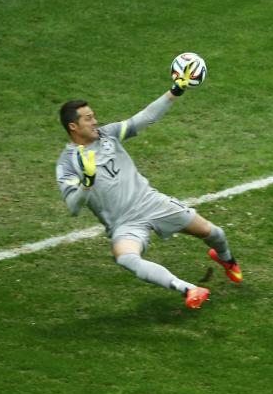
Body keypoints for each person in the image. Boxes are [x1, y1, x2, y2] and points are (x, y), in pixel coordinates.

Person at [55, 61, 243, 309]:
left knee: (214, 233)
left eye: (93, 116)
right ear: (73, 126)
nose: (95, 121)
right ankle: (188, 289)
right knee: (125, 258)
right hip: (123, 222)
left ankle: (227, 260)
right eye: (88, 119)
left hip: (150, 202)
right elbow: (73, 207)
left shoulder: (107, 134)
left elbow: (144, 118)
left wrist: (175, 91)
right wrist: (87, 184)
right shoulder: (67, 163)